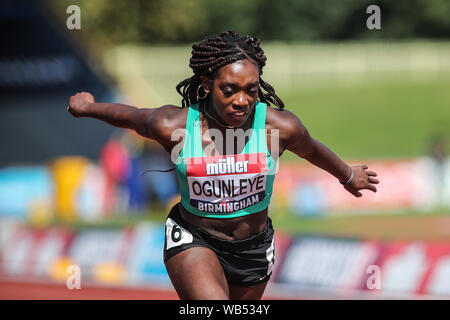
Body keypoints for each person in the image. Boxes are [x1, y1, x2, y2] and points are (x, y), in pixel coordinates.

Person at [67, 30, 379, 300]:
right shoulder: (173, 126)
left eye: (251, 90)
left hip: (254, 248)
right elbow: (129, 116)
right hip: (194, 237)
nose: (242, 100)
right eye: (230, 89)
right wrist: (87, 108)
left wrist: (348, 175)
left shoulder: (278, 128)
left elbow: (311, 150)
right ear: (207, 85)